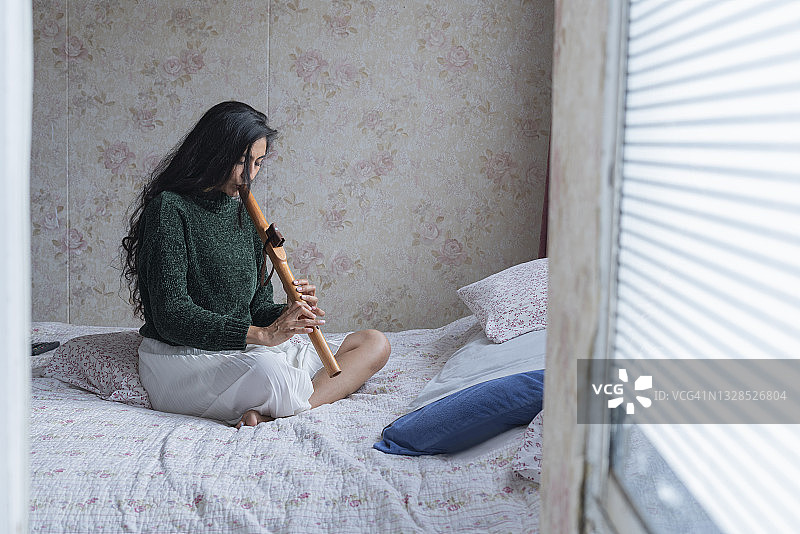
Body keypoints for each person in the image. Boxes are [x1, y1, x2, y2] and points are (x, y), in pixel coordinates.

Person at [121, 101, 390, 429]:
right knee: (274, 375)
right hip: (181, 358)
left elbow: (256, 308)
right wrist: (263, 335)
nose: (249, 175)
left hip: (242, 348)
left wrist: (289, 313)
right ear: (211, 154)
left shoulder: (246, 218)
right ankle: (297, 400)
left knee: (374, 343)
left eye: (258, 163)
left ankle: (271, 412)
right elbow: (171, 317)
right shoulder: (170, 210)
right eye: (240, 162)